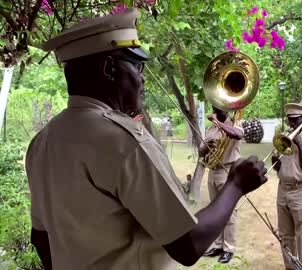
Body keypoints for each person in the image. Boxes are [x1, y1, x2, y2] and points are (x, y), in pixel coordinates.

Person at [26, 9, 268, 270]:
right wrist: (236, 184)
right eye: (137, 67)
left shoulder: (43, 141)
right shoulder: (122, 141)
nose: (142, 79)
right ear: (109, 69)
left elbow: (41, 238)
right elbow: (188, 245)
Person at [272, 103, 302, 270]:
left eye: (295, 120)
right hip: (282, 189)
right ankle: (290, 267)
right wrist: (275, 161)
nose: (292, 124)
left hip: (300, 190)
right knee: (285, 234)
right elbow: (276, 166)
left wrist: (299, 144)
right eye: (290, 120)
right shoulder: (282, 137)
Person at [200, 106, 244, 264]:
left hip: (227, 170)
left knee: (229, 212)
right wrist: (206, 147)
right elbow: (201, 151)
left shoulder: (235, 122)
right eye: (213, 106)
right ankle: (218, 245)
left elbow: (237, 135)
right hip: (213, 171)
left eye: (218, 105)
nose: (215, 108)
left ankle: (229, 248)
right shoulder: (211, 127)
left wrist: (218, 122)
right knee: (216, 211)